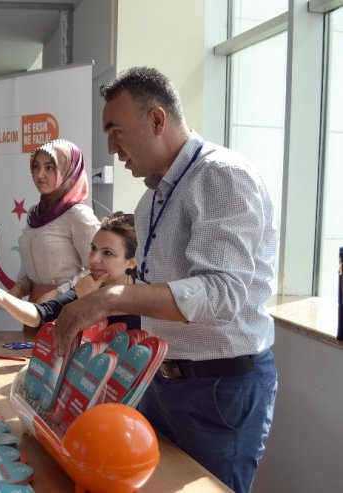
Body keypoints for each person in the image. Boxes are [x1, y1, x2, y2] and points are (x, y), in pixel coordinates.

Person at [53, 67, 277, 493]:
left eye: (116, 131)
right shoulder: (152, 198)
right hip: (161, 378)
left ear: (157, 120)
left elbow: (222, 294)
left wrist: (111, 298)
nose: (110, 147)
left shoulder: (221, 176)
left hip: (217, 388)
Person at [0, 213, 139, 330]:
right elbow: (41, 314)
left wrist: (88, 303)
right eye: (93, 249)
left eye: (107, 253)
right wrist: (2, 297)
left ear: (131, 262)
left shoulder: (147, 296)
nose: (93, 259)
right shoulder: (86, 286)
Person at [10, 139, 98, 333]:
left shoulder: (78, 215)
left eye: (50, 168)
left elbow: (98, 271)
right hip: (35, 310)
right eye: (36, 166)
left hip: (68, 309)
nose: (39, 175)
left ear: (69, 171)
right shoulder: (34, 213)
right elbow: (33, 262)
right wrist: (21, 285)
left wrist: (58, 293)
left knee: (62, 362)